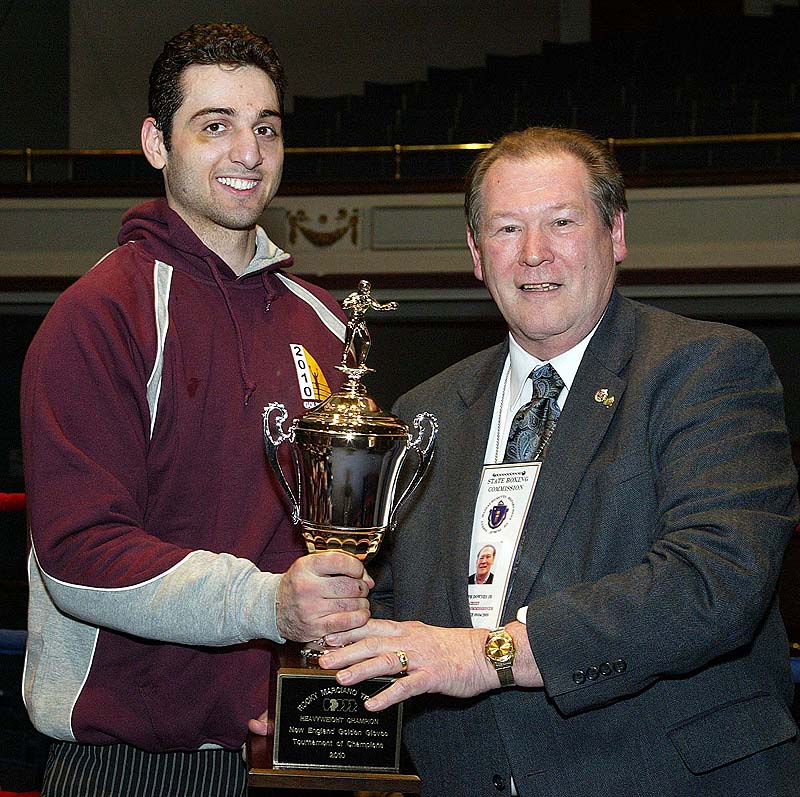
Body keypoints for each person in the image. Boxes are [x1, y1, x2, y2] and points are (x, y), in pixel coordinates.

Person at [315, 127, 800, 795]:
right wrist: (328, 640)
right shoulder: (427, 409)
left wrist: (493, 654)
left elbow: (715, 581)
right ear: (477, 254)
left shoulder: (704, 367)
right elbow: (402, 605)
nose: (534, 254)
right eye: (508, 228)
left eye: (562, 222)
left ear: (616, 234)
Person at [20, 23, 372, 797]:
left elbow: (347, 549)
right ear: (156, 142)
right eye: (214, 126)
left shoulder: (328, 325)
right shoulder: (101, 315)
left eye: (265, 127)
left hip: (288, 753)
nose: (247, 152)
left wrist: (320, 689)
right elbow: (81, 557)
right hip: (131, 767)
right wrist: (269, 604)